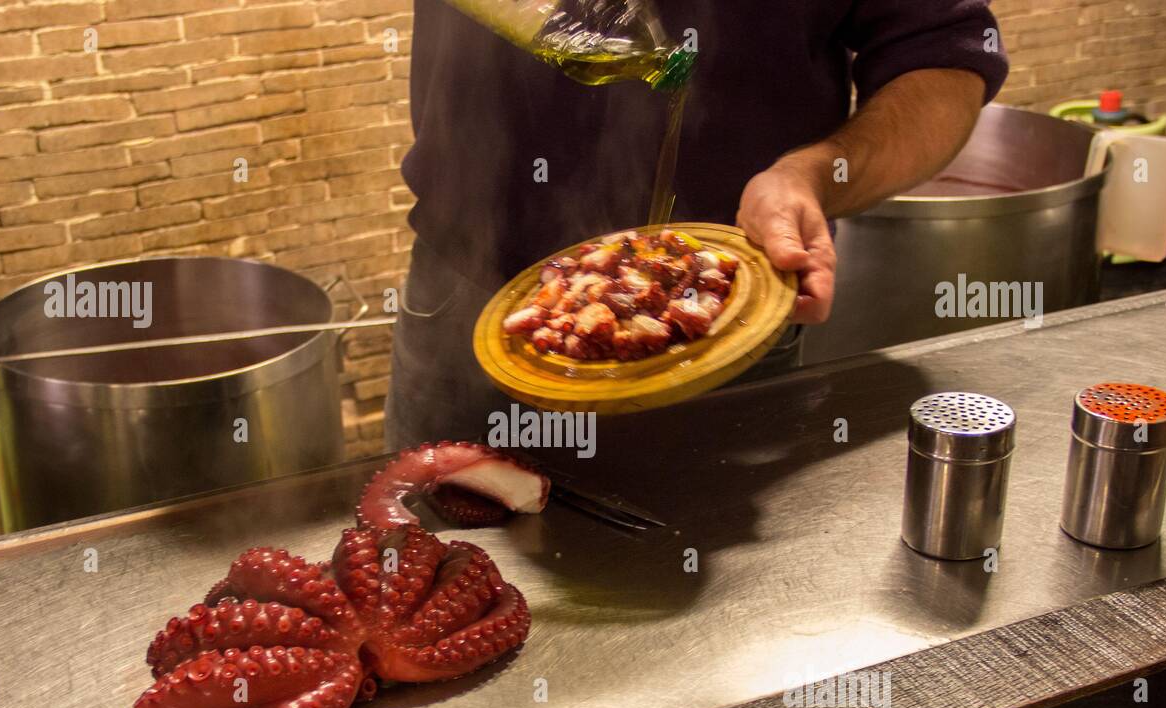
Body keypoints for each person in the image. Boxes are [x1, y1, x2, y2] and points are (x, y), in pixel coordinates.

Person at [386, 0, 1008, 450]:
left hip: (729, 317)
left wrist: (814, 176)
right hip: (465, 299)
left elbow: (942, 55)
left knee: (715, 572)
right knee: (438, 551)